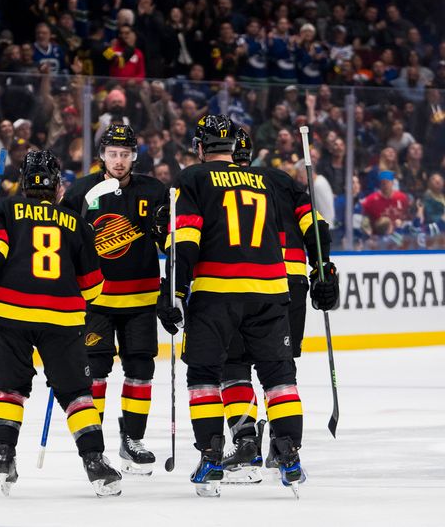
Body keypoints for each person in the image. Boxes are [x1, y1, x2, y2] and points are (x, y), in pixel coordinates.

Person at [0, 150, 121, 497]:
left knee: (9, 389)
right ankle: (95, 462)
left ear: (24, 183)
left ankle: (4, 455)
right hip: (61, 319)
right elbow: (94, 288)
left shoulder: (3, 209)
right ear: (58, 185)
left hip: (9, 315)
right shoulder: (75, 220)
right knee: (76, 394)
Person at [156, 114, 305, 497]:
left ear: (201, 148)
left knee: (204, 374)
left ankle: (211, 454)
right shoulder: (264, 181)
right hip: (270, 291)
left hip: (217, 292)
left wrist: (173, 290)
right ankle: (288, 452)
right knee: (279, 377)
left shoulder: (193, 178)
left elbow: (186, 240)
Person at [220, 129, 338, 482]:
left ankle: (244, 440)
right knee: (279, 368)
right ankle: (283, 443)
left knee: (234, 364)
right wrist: (323, 268)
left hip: (241, 283)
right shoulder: (280, 180)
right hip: (289, 282)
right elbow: (314, 224)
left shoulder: (214, 183)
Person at [61, 124, 168, 476]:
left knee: (140, 371)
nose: (118, 161)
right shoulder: (80, 192)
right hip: (97, 301)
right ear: (101, 156)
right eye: (112, 154)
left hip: (141, 299)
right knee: (95, 375)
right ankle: (96, 448)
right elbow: (64, 243)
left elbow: (173, 241)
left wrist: (175, 284)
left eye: (125, 154)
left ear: (134, 155)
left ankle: (132, 439)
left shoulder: (154, 191)